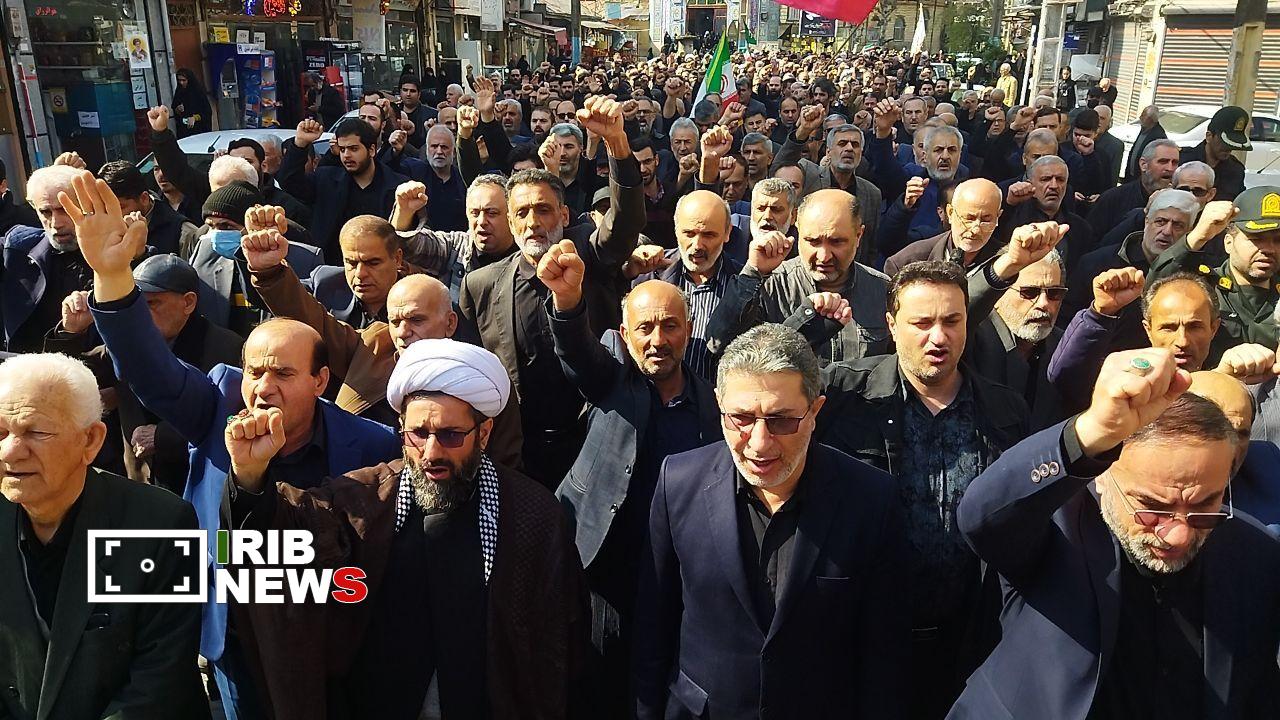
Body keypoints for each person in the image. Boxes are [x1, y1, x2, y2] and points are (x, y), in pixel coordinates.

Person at [61, 170, 400, 720]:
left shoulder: (372, 446)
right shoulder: (218, 402)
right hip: (235, 633)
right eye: (255, 372)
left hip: (328, 634)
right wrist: (112, 277)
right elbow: (150, 371)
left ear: (320, 381)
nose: (263, 388)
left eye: (283, 374)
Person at [225, 338, 589, 718]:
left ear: (483, 434)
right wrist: (249, 477)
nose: (431, 452)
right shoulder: (364, 500)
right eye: (418, 434)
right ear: (400, 429)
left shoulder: (531, 514)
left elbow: (560, 645)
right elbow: (278, 541)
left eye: (450, 434)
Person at [952, 348, 1280, 718]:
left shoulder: (1256, 556)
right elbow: (982, 516)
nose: (1178, 535)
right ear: (1103, 475)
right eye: (1152, 507)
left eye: (1205, 505)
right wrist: (1089, 434)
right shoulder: (1053, 528)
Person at [633, 323, 910, 719]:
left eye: (781, 420)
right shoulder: (677, 483)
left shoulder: (870, 500)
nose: (760, 443)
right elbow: (652, 630)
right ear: (719, 406)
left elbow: (884, 657)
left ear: (815, 412)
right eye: (741, 418)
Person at [814, 259, 1033, 718]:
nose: (939, 337)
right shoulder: (845, 395)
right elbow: (761, 379)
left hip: (971, 642)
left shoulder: (1005, 410)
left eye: (952, 321)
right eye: (922, 323)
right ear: (892, 325)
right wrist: (810, 325)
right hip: (866, 638)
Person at [540, 240, 722, 714]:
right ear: (625, 334)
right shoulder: (613, 381)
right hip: (602, 568)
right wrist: (567, 300)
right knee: (595, 686)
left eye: (670, 326)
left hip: (676, 577)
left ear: (688, 331)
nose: (658, 340)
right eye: (645, 328)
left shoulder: (714, 407)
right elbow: (578, 352)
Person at [0, 352, 211, 719]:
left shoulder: (160, 524)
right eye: (1, 432)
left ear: (91, 441)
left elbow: (159, 682)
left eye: (36, 432)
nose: (11, 451)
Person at [460, 96, 642, 486]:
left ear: (563, 214)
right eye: (521, 213)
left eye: (543, 210)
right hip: (520, 455)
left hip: (597, 439)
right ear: (511, 222)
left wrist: (617, 144)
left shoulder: (590, 255)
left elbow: (625, 221)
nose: (533, 223)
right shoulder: (481, 285)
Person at [241, 216, 523, 462]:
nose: (403, 332)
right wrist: (270, 272)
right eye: (395, 321)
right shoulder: (372, 345)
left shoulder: (483, 377)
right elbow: (314, 322)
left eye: (417, 320)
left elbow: (504, 463)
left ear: (450, 323)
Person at [53, 254, 244, 492]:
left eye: (152, 304)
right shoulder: (126, 343)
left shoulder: (226, 348)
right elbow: (66, 379)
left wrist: (163, 437)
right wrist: (72, 332)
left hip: (198, 486)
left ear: (188, 302)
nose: (142, 314)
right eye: (138, 304)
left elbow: (232, 420)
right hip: (138, 483)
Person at [709, 188, 890, 365]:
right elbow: (718, 345)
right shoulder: (770, 285)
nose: (824, 256)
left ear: (858, 235)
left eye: (836, 242)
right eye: (813, 241)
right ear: (798, 230)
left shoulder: (883, 291)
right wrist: (752, 273)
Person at [1050, 269, 1220, 414]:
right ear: (1148, 329)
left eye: (1194, 327)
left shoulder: (1226, 384)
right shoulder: (1125, 385)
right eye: (1168, 328)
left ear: (1214, 328)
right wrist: (1099, 315)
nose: (1182, 341)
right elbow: (1066, 376)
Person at [1059, 188, 1201, 352]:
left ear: (1189, 231)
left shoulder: (1193, 274)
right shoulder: (1098, 263)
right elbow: (1065, 322)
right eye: (1160, 221)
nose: (1167, 231)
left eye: (1178, 225)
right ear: (1146, 221)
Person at [1150, 192, 1280, 355]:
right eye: (1256, 239)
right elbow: (1156, 288)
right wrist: (1197, 237)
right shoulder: (1204, 286)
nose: (1269, 249)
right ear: (1228, 243)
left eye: (1278, 240)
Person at [188, 180, 324, 336]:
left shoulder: (305, 259)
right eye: (211, 226)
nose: (217, 234)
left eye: (226, 226)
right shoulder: (204, 256)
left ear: (251, 228)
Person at [278, 117, 409, 263]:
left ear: (371, 150)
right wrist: (300, 144)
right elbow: (289, 182)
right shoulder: (326, 180)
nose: (346, 155)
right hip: (332, 267)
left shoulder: (398, 187)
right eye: (342, 149)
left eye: (353, 149)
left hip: (382, 267)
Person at [2, 164, 94, 353]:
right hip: (23, 365)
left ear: (89, 205)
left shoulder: (122, 253)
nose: (56, 223)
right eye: (46, 212)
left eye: (65, 210)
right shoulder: (16, 248)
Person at [390, 175, 519, 304]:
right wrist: (404, 211)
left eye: (491, 213)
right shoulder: (455, 248)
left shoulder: (526, 255)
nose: (481, 221)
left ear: (511, 216)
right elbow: (407, 246)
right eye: (474, 213)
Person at [884, 177, 1004, 276]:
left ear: (998, 217)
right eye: (969, 219)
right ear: (950, 213)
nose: (976, 229)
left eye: (986, 220)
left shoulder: (1007, 264)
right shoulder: (908, 262)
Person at [98, 160, 200, 257]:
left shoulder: (184, 234)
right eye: (104, 209)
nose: (110, 216)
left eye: (119, 208)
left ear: (144, 199)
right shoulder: (98, 233)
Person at [1092, 139, 1180, 228]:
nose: (1170, 168)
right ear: (1143, 164)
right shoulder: (1112, 199)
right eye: (1163, 161)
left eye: (1175, 163)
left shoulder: (1180, 204)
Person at [1179, 105, 1250, 202]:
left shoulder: (1235, 170)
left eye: (1233, 143)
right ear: (1209, 136)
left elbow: (1239, 202)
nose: (1228, 148)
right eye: (1223, 143)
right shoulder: (1182, 161)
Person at [1126, 105, 1168, 182]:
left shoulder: (1158, 136)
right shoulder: (1144, 129)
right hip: (1132, 177)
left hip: (1143, 179)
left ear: (1151, 119)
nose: (1140, 118)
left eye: (1143, 116)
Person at [172, 67, 212, 137]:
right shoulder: (179, 91)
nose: (181, 83)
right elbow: (175, 107)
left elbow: (207, 112)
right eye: (179, 80)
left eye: (184, 80)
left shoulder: (198, 92)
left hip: (199, 130)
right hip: (184, 130)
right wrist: (177, 109)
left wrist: (194, 118)